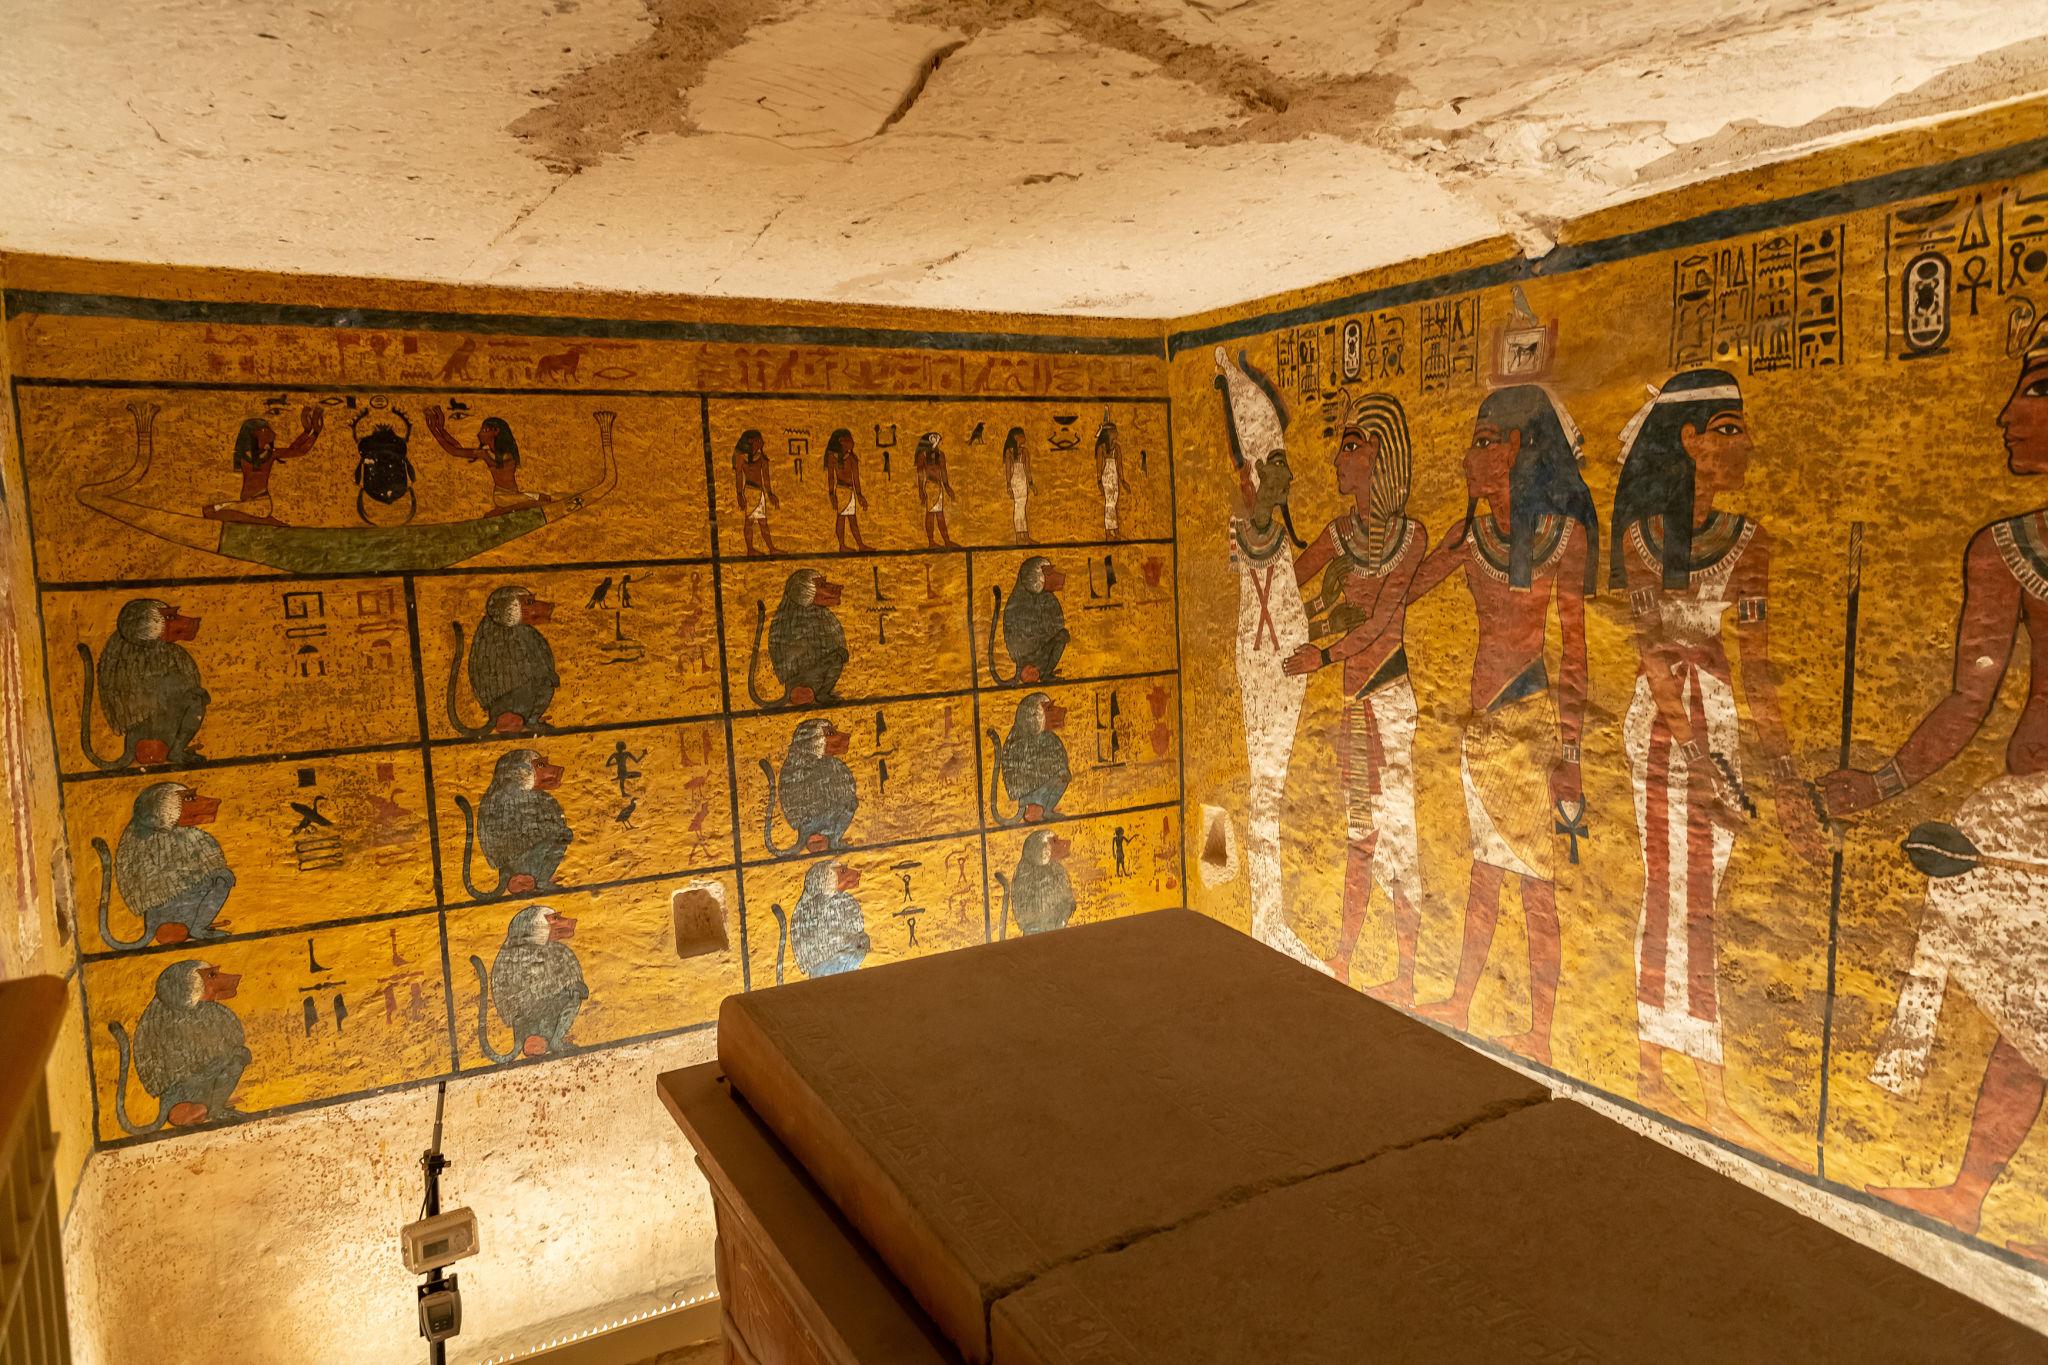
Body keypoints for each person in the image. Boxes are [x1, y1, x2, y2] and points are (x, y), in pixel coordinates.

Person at [1819, 322, 2048, 1258]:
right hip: (2034, 802)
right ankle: (1966, 1192)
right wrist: (1879, 785)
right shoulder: (2007, 547)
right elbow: (1970, 695)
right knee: (2027, 1004)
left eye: (2031, 388)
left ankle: (1968, 1192)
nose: (2004, 413)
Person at [1610, 368, 1822, 1165]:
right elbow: (1653, 652)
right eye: (1725, 428)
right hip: (1667, 727)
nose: (1742, 442)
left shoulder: (1751, 541)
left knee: (1696, 896)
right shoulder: (1639, 541)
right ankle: (1695, 1085)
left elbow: (1759, 669)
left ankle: (1663, 1067)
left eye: (1743, 428)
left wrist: (1783, 778)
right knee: (1677, 893)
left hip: (1717, 719)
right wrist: (1698, 761)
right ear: (1690, 440)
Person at [1409, 385, 1594, 1066]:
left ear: (1516, 448)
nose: (1469, 456)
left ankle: (1542, 1033)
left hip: (1526, 718)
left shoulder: (1560, 539)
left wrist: (1568, 753)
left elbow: (1575, 652)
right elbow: (1410, 590)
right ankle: (1462, 1000)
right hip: (1480, 725)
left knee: (1535, 884)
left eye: (1483, 441)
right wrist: (1438, 542)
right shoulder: (1477, 537)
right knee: (1485, 873)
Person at [1284, 392, 1426, 1000]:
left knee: (1397, 837)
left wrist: (1322, 653)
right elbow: (1287, 582)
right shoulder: (1339, 534)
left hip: (1388, 697)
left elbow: (1382, 626)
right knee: (1357, 833)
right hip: (1353, 703)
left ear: (1382, 455)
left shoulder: (1411, 537)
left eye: (1351, 445)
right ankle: (1344, 959)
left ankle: (1407, 971)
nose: (1338, 460)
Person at [1214, 347, 1327, 974]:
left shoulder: (1268, 526)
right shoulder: (1252, 526)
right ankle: (1267, 917)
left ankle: (1271, 914)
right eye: (1278, 464)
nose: (1289, 475)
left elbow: (1288, 578)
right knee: (1267, 790)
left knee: (1276, 789)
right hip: (1268, 660)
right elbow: (1268, 578)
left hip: (1282, 653)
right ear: (1255, 475)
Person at [203, 408, 323, 524]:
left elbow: (297, 450)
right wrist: (311, 432)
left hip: (260, 503)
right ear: (254, 433)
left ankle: (261, 521)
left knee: (211, 512)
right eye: (265, 429)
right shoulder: (249, 455)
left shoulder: (268, 454)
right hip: (250, 504)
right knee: (210, 511)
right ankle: (264, 521)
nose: (272, 433)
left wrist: (310, 432)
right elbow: (296, 449)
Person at [424, 406, 543, 512]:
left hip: (511, 497)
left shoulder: (503, 454)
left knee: (540, 499)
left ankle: (499, 512)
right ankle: (501, 511)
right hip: (504, 497)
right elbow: (456, 450)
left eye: (485, 430)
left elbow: (456, 449)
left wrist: (437, 429)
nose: (479, 434)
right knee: (542, 500)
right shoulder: (487, 454)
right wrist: (437, 429)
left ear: (496, 432)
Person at [732, 429, 780, 555]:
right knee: (749, 522)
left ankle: (771, 548)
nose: (762, 443)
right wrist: (739, 494)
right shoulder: (741, 458)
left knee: (763, 522)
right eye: (759, 440)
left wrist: (770, 493)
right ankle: (751, 549)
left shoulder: (762, 458)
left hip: (760, 493)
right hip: (750, 492)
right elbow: (738, 476)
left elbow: (766, 478)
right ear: (751, 441)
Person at [824, 429, 871, 552]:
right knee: (843, 519)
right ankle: (845, 545)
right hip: (841, 491)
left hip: (849, 492)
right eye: (849, 439)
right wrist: (831, 494)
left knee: (850, 519)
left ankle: (858, 545)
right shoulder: (833, 457)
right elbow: (831, 477)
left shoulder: (852, 459)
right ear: (841, 441)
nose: (852, 442)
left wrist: (860, 495)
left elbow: (856, 480)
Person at [913, 431, 960, 548]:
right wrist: (921, 491)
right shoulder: (923, 455)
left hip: (938, 486)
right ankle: (933, 541)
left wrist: (947, 486)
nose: (938, 444)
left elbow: (943, 471)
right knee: (932, 515)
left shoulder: (941, 454)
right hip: (930, 486)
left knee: (939, 514)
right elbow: (920, 474)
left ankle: (945, 540)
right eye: (936, 441)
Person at [1095, 411, 1132, 539]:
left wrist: (1123, 481)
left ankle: (1114, 531)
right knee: (1109, 503)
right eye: (1114, 430)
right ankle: (1109, 532)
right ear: (1109, 433)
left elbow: (1119, 466)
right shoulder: (1102, 448)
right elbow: (1099, 467)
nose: (1117, 433)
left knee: (1113, 503)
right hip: (1106, 477)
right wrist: (1099, 482)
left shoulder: (1117, 448)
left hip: (1114, 477)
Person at [1002, 426, 1032, 543]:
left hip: (1023, 480)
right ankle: (1019, 536)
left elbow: (1027, 469)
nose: (1024, 438)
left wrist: (1031, 483)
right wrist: (1008, 484)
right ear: (1016, 437)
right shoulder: (1009, 452)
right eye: (1022, 435)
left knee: (1022, 508)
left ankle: (1025, 536)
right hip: (1015, 481)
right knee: (1018, 507)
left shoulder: (1025, 451)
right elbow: (1008, 470)